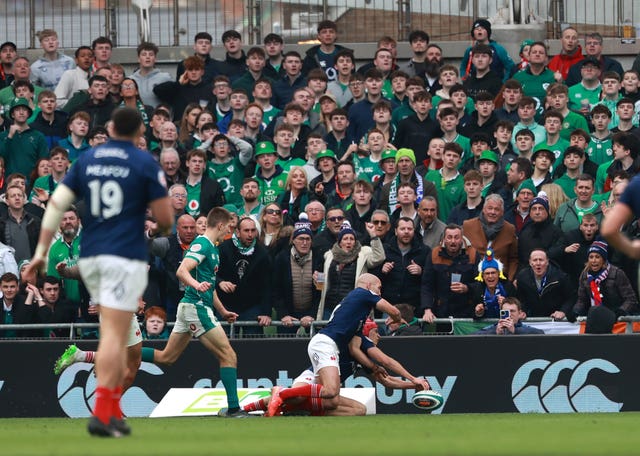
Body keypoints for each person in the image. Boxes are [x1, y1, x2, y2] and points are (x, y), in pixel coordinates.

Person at [22, 107, 173, 437]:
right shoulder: (144, 162)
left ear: (110, 128)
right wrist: (155, 230)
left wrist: (40, 253)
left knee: (123, 342)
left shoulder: (87, 160)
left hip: (91, 258)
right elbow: (166, 218)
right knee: (115, 339)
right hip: (123, 257)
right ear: (138, 134)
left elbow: (58, 205)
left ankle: (109, 413)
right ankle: (103, 412)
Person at [140, 207, 251, 417]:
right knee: (228, 355)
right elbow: (182, 271)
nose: (230, 232)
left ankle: (126, 354)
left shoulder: (212, 248)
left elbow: (209, 285)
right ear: (220, 225)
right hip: (196, 307)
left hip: (191, 306)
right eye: (228, 227)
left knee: (167, 358)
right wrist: (196, 285)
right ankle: (234, 408)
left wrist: (223, 310)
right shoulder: (202, 244)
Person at [266, 273, 402, 417]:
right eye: (379, 288)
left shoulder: (355, 316)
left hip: (326, 344)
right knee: (330, 392)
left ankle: (263, 406)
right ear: (369, 286)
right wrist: (396, 319)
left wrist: (414, 383)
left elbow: (385, 379)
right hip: (325, 343)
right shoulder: (363, 294)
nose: (380, 293)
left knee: (349, 406)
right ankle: (281, 392)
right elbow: (394, 315)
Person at [315, 220, 384, 320]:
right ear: (339, 242)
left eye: (352, 239)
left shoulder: (362, 255)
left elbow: (379, 257)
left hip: (352, 306)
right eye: (345, 238)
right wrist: (318, 280)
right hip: (329, 306)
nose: (348, 241)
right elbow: (322, 280)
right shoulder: (329, 256)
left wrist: (373, 235)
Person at [216, 216, 272, 336]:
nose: (250, 234)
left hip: (251, 306)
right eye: (246, 231)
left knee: (253, 347)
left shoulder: (263, 253)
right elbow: (210, 274)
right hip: (226, 305)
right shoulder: (223, 248)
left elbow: (267, 285)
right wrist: (220, 282)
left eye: (253, 230)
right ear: (238, 232)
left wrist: (266, 312)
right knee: (223, 345)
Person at [574, 240, 638, 333]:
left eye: (597, 257)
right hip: (595, 319)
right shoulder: (584, 275)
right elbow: (582, 300)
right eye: (591, 257)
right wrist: (576, 311)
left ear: (603, 259)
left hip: (617, 322)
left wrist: (620, 312)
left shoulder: (617, 273)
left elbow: (631, 299)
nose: (594, 260)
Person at [420, 224, 478, 323]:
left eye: (456, 237)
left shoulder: (472, 254)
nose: (453, 241)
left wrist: (467, 288)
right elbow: (427, 285)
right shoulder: (434, 254)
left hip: (466, 310)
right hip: (440, 311)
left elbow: (479, 283)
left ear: (461, 238)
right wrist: (427, 309)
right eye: (449, 237)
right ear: (444, 239)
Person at [272, 216, 319, 335]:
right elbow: (276, 289)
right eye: (301, 239)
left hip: (311, 313)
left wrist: (312, 314)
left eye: (308, 239)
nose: (304, 243)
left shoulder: (318, 259)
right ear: (293, 240)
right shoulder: (282, 259)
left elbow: (321, 291)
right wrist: (283, 314)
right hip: (288, 313)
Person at [463, 194, 518, 280]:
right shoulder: (468, 226)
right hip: (473, 279)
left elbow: (513, 259)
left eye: (497, 209)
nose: (492, 212)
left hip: (500, 280)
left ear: (502, 212)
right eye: (490, 208)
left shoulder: (510, 229)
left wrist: (510, 281)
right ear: (484, 209)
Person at [377, 217, 427, 310]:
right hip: (388, 305)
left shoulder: (424, 251)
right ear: (396, 231)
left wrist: (421, 271)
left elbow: (431, 279)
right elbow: (374, 277)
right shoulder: (385, 249)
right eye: (402, 229)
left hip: (413, 307)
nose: (406, 232)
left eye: (410, 229)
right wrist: (382, 270)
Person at [515, 248, 575, 319]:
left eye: (541, 260)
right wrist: (522, 311)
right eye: (535, 260)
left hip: (555, 319)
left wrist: (563, 311)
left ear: (547, 262)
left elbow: (571, 297)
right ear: (530, 262)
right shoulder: (522, 277)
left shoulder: (560, 277)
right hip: (532, 318)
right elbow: (521, 299)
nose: (538, 263)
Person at [474, 297, 545, 335]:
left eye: (512, 311)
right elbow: (472, 337)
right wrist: (496, 333)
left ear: (519, 313)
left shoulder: (528, 330)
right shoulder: (494, 328)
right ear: (501, 312)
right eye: (506, 312)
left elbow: (540, 334)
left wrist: (515, 331)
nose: (509, 314)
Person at [0, 272, 35, 338]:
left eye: (12, 287)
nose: (9, 290)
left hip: (21, 345)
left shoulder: (27, 301)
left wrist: (30, 295)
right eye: (5, 287)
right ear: (0, 288)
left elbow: (26, 323)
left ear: (17, 287)